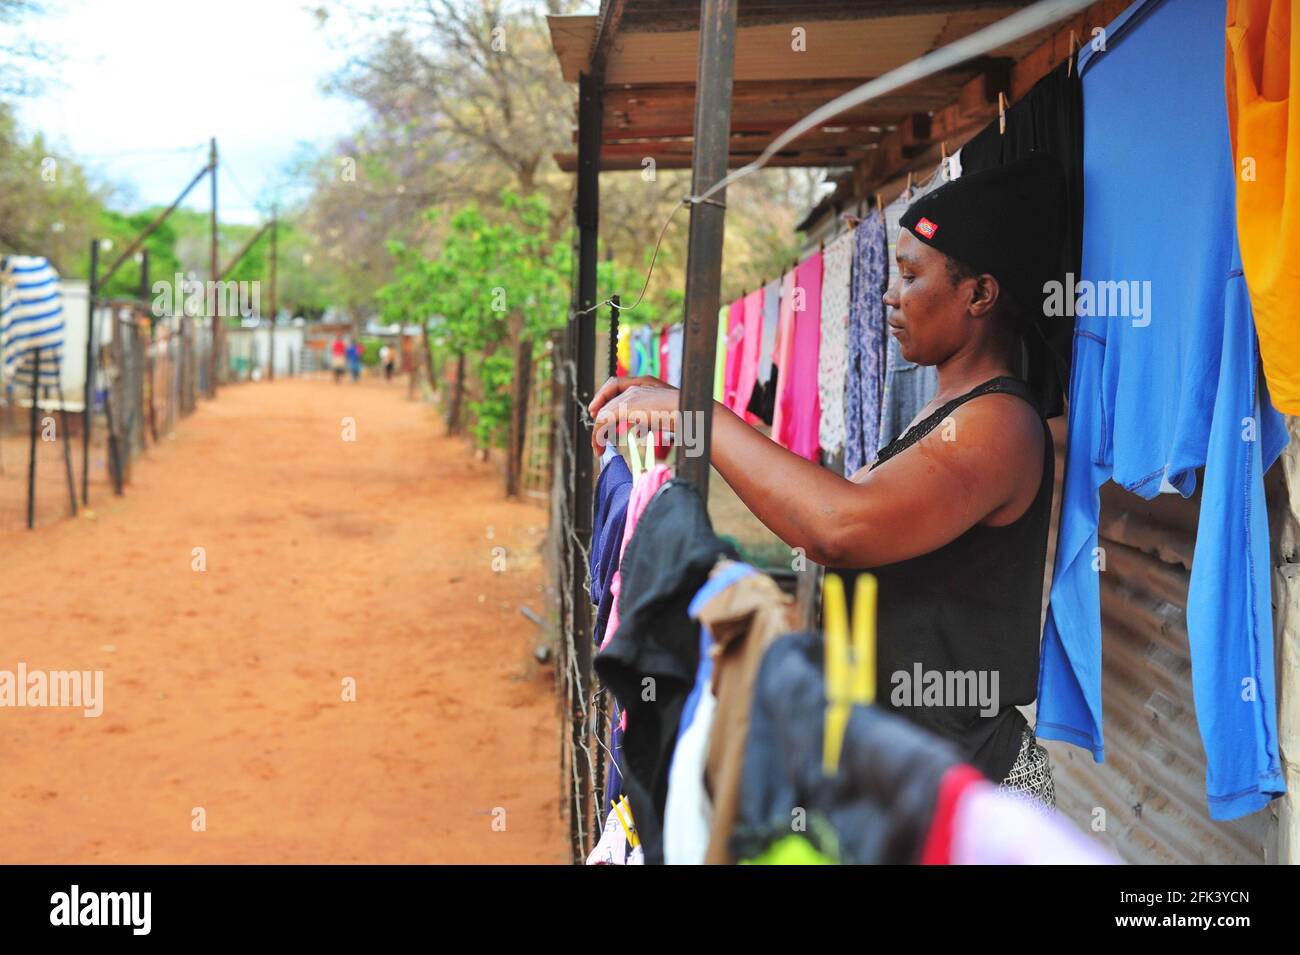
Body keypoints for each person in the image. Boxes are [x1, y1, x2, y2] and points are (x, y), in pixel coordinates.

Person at [588, 154, 1067, 808]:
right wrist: (684, 405)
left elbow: (839, 526)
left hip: (965, 796)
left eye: (909, 276)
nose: (889, 295)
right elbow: (819, 501)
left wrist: (696, 413)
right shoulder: (944, 411)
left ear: (980, 294)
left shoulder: (1000, 423)